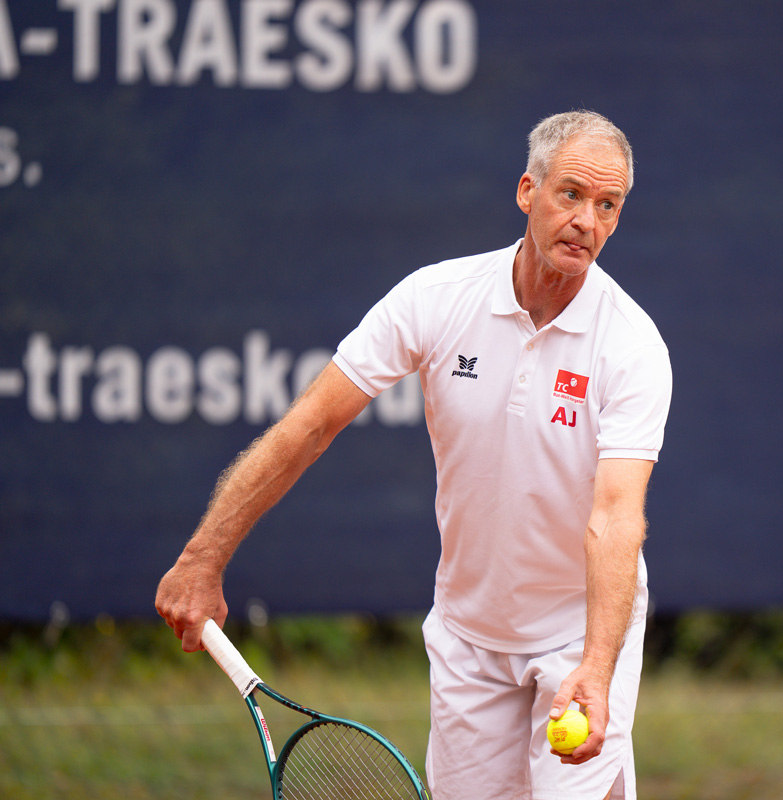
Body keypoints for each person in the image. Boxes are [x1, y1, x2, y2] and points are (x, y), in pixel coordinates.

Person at [155, 110, 672, 800]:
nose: (587, 219)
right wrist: (202, 559)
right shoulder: (435, 299)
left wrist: (597, 667)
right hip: (469, 634)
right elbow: (309, 425)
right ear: (528, 191)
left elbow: (616, 516)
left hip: (577, 636)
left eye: (608, 206)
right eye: (571, 194)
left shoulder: (632, 347)